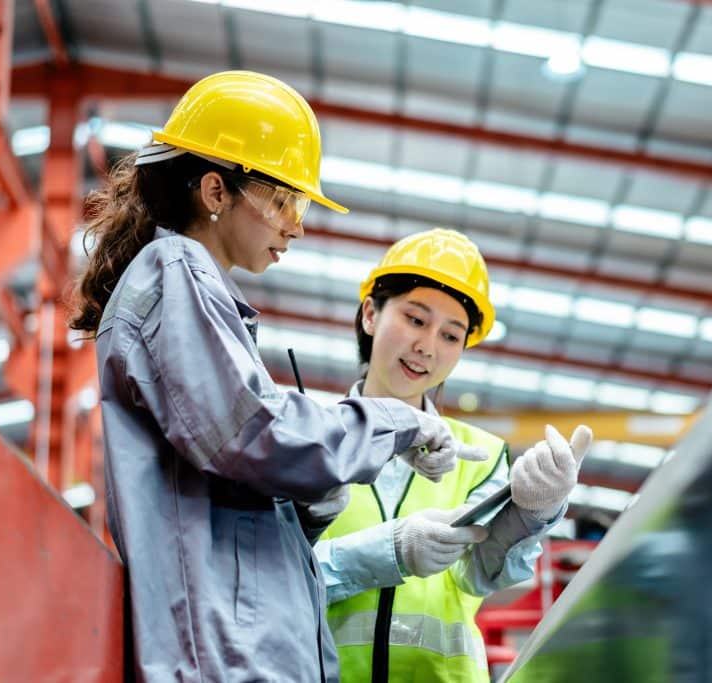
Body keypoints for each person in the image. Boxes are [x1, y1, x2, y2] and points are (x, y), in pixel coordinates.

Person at [69, 71, 488, 682]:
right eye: (283, 199)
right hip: (223, 658)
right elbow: (253, 433)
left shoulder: (197, 292)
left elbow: (225, 472)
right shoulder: (174, 271)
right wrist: (398, 422)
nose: (296, 224)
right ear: (216, 191)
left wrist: (303, 509)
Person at [314, 228, 593, 682]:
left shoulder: (480, 454)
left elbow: (481, 572)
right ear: (370, 314)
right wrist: (390, 551)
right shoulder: (306, 437)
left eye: (451, 335)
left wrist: (537, 510)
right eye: (416, 319)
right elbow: (275, 574)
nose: (427, 347)